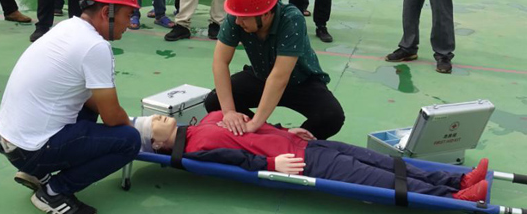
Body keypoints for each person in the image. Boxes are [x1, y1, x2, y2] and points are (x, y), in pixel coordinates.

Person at [0, 0, 141, 214]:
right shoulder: (95, 46)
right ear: (107, 12)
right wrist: (137, 129)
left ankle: (37, 174)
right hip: (32, 149)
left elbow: (96, 102)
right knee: (129, 141)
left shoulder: (69, 27)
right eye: (128, 15)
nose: (129, 24)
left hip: (12, 142)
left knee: (89, 102)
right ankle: (54, 192)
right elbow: (112, 116)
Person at [133, 111, 490, 202]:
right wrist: (272, 165)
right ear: (157, 146)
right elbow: (237, 161)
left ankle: (457, 179)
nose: (158, 118)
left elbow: (254, 125)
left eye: (156, 117)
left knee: (379, 161)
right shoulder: (194, 152)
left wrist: (286, 129)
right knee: (375, 179)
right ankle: (454, 198)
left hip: (302, 143)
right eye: (153, 126)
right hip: (301, 163)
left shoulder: (209, 119)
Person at [204, 0, 344, 140]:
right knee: (214, 101)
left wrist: (255, 124)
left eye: (244, 18)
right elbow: (220, 62)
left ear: (265, 14)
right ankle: (267, 136)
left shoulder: (291, 19)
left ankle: (292, 141)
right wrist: (229, 113)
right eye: (237, 17)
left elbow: (279, 77)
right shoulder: (237, 17)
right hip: (261, 76)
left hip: (300, 82)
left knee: (332, 116)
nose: (238, 22)